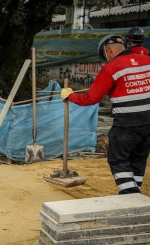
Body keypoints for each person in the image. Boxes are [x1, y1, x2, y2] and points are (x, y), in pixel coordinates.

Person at [61, 34, 150, 195]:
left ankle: (131, 195)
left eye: (105, 56)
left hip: (127, 123)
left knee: (118, 159)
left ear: (108, 50)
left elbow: (91, 98)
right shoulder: (147, 61)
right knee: (138, 160)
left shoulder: (111, 67)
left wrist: (70, 95)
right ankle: (134, 192)